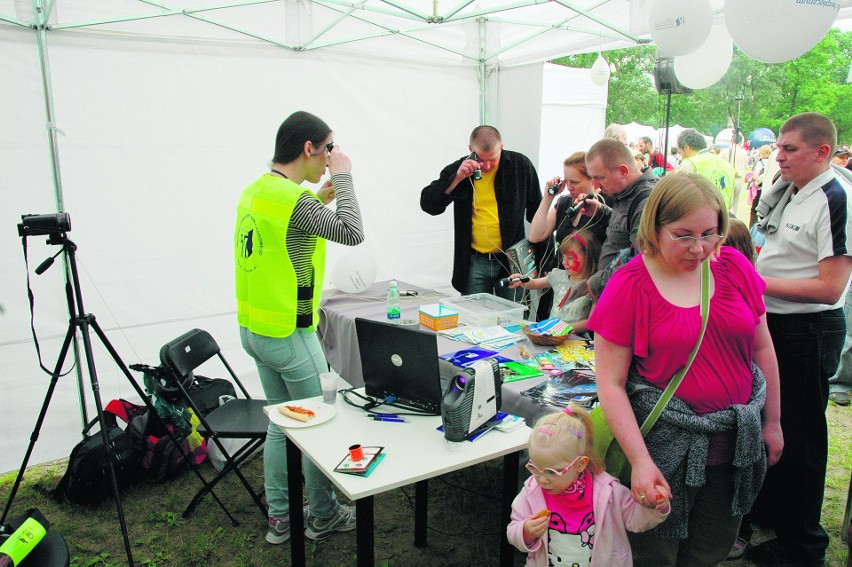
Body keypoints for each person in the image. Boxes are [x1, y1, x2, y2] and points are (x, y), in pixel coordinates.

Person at [587, 173, 783, 567]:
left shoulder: (734, 268)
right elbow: (610, 383)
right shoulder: (629, 285)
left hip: (733, 445)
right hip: (662, 450)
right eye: (683, 235)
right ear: (654, 227)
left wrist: (772, 421)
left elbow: (762, 347)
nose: (699, 247)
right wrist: (641, 462)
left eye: (710, 233)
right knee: (653, 554)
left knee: (710, 549)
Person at [234, 111, 363, 545]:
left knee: (280, 423)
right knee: (316, 421)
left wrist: (321, 199)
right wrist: (344, 181)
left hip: (255, 328)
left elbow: (286, 236)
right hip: (289, 332)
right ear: (308, 149)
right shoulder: (294, 201)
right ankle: (323, 515)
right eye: (328, 148)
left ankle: (281, 518)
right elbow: (352, 231)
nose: (330, 159)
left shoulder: (258, 191)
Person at [741, 112, 852, 567]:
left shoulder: (834, 196)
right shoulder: (792, 190)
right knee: (777, 424)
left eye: (790, 149)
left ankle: (804, 546)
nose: (778, 156)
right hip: (779, 326)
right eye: (779, 147)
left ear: (822, 152)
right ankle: (776, 516)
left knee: (802, 437)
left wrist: (755, 283)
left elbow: (831, 288)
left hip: (808, 330)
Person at [507, 404, 670, 567]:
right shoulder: (532, 491)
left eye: (551, 472)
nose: (541, 479)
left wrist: (653, 504)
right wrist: (526, 532)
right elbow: (513, 530)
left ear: (580, 464)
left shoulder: (608, 491)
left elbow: (636, 520)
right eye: (534, 468)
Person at [420, 125, 542, 301]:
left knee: (511, 318)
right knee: (474, 317)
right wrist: (457, 178)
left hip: (511, 261)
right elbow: (429, 204)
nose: (486, 166)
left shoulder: (520, 166)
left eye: (493, 159)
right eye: (481, 160)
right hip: (475, 260)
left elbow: (536, 212)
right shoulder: (460, 170)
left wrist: (540, 257)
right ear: (471, 150)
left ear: (501, 147)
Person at [582, 138, 656, 299]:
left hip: (624, 299)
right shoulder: (626, 192)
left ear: (623, 171)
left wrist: (598, 283)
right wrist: (601, 211)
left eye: (600, 178)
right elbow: (625, 228)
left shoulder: (646, 201)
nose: (595, 186)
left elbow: (641, 261)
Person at [508, 230, 601, 335]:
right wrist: (522, 279)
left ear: (588, 257)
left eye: (570, 258)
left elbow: (591, 321)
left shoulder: (594, 285)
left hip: (575, 341)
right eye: (563, 257)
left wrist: (564, 328)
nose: (563, 262)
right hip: (551, 335)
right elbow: (533, 283)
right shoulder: (558, 276)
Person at [528, 151, 609, 250]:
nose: (569, 187)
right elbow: (535, 236)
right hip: (561, 264)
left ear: (592, 180)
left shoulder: (606, 204)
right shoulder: (564, 202)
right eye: (566, 181)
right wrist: (548, 198)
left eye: (574, 182)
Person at [675, 128, 737, 211]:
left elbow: (678, 197)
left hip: (698, 218)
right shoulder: (728, 166)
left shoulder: (689, 163)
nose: (681, 156)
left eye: (680, 152)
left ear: (686, 148)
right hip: (723, 218)